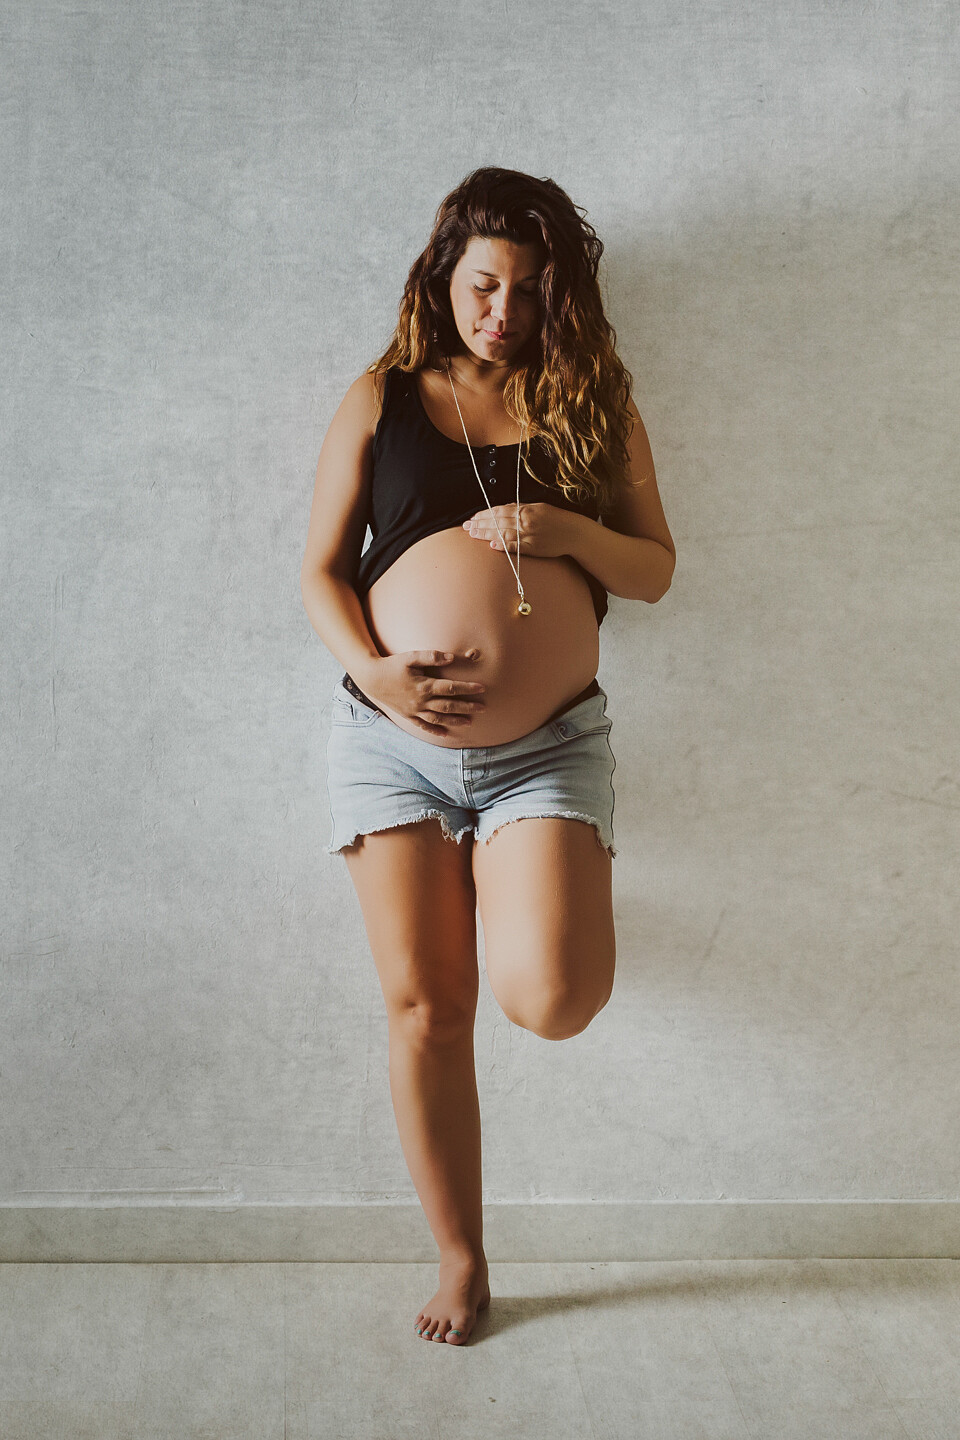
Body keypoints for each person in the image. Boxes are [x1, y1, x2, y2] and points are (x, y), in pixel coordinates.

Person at [300, 166, 675, 1345]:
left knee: (553, 998)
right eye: (480, 284)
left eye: (523, 291)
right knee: (427, 1007)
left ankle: (532, 892)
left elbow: (655, 569)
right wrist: (371, 667)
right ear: (443, 276)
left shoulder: (593, 402)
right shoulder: (382, 397)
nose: (499, 311)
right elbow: (318, 569)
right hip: (390, 748)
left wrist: (567, 531)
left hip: (546, 749)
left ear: (557, 297)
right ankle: (462, 1259)